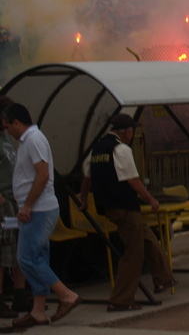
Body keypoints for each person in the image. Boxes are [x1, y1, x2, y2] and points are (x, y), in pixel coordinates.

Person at [80, 113, 176, 312]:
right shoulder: (121, 149)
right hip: (125, 206)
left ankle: (163, 278)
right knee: (134, 253)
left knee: (147, 236)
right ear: (127, 132)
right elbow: (132, 180)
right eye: (132, 131)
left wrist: (83, 200)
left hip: (108, 206)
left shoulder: (97, 149)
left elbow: (87, 179)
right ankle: (121, 299)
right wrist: (151, 199)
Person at [1, 103, 81, 327]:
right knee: (38, 258)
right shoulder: (29, 140)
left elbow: (42, 175)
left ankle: (66, 295)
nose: (8, 132)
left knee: (26, 258)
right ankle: (38, 310)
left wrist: (26, 205)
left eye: (8, 127)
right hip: (38, 209)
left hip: (38, 210)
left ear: (17, 123)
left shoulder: (33, 140)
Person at [0, 96, 31, 318]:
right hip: (3, 202)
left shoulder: (6, 137)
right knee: (3, 254)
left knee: (18, 250)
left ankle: (20, 295)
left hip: (14, 201)